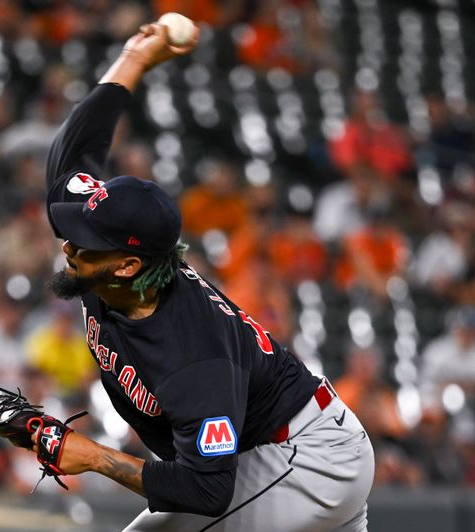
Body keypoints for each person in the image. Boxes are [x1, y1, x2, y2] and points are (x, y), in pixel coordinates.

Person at [30, 20, 374, 531]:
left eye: (87, 244)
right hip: (288, 445)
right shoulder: (117, 273)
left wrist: (96, 457)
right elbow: (74, 149)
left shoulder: (193, 351)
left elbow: (208, 490)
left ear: (128, 266)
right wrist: (135, 59)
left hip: (303, 458)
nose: (69, 244)